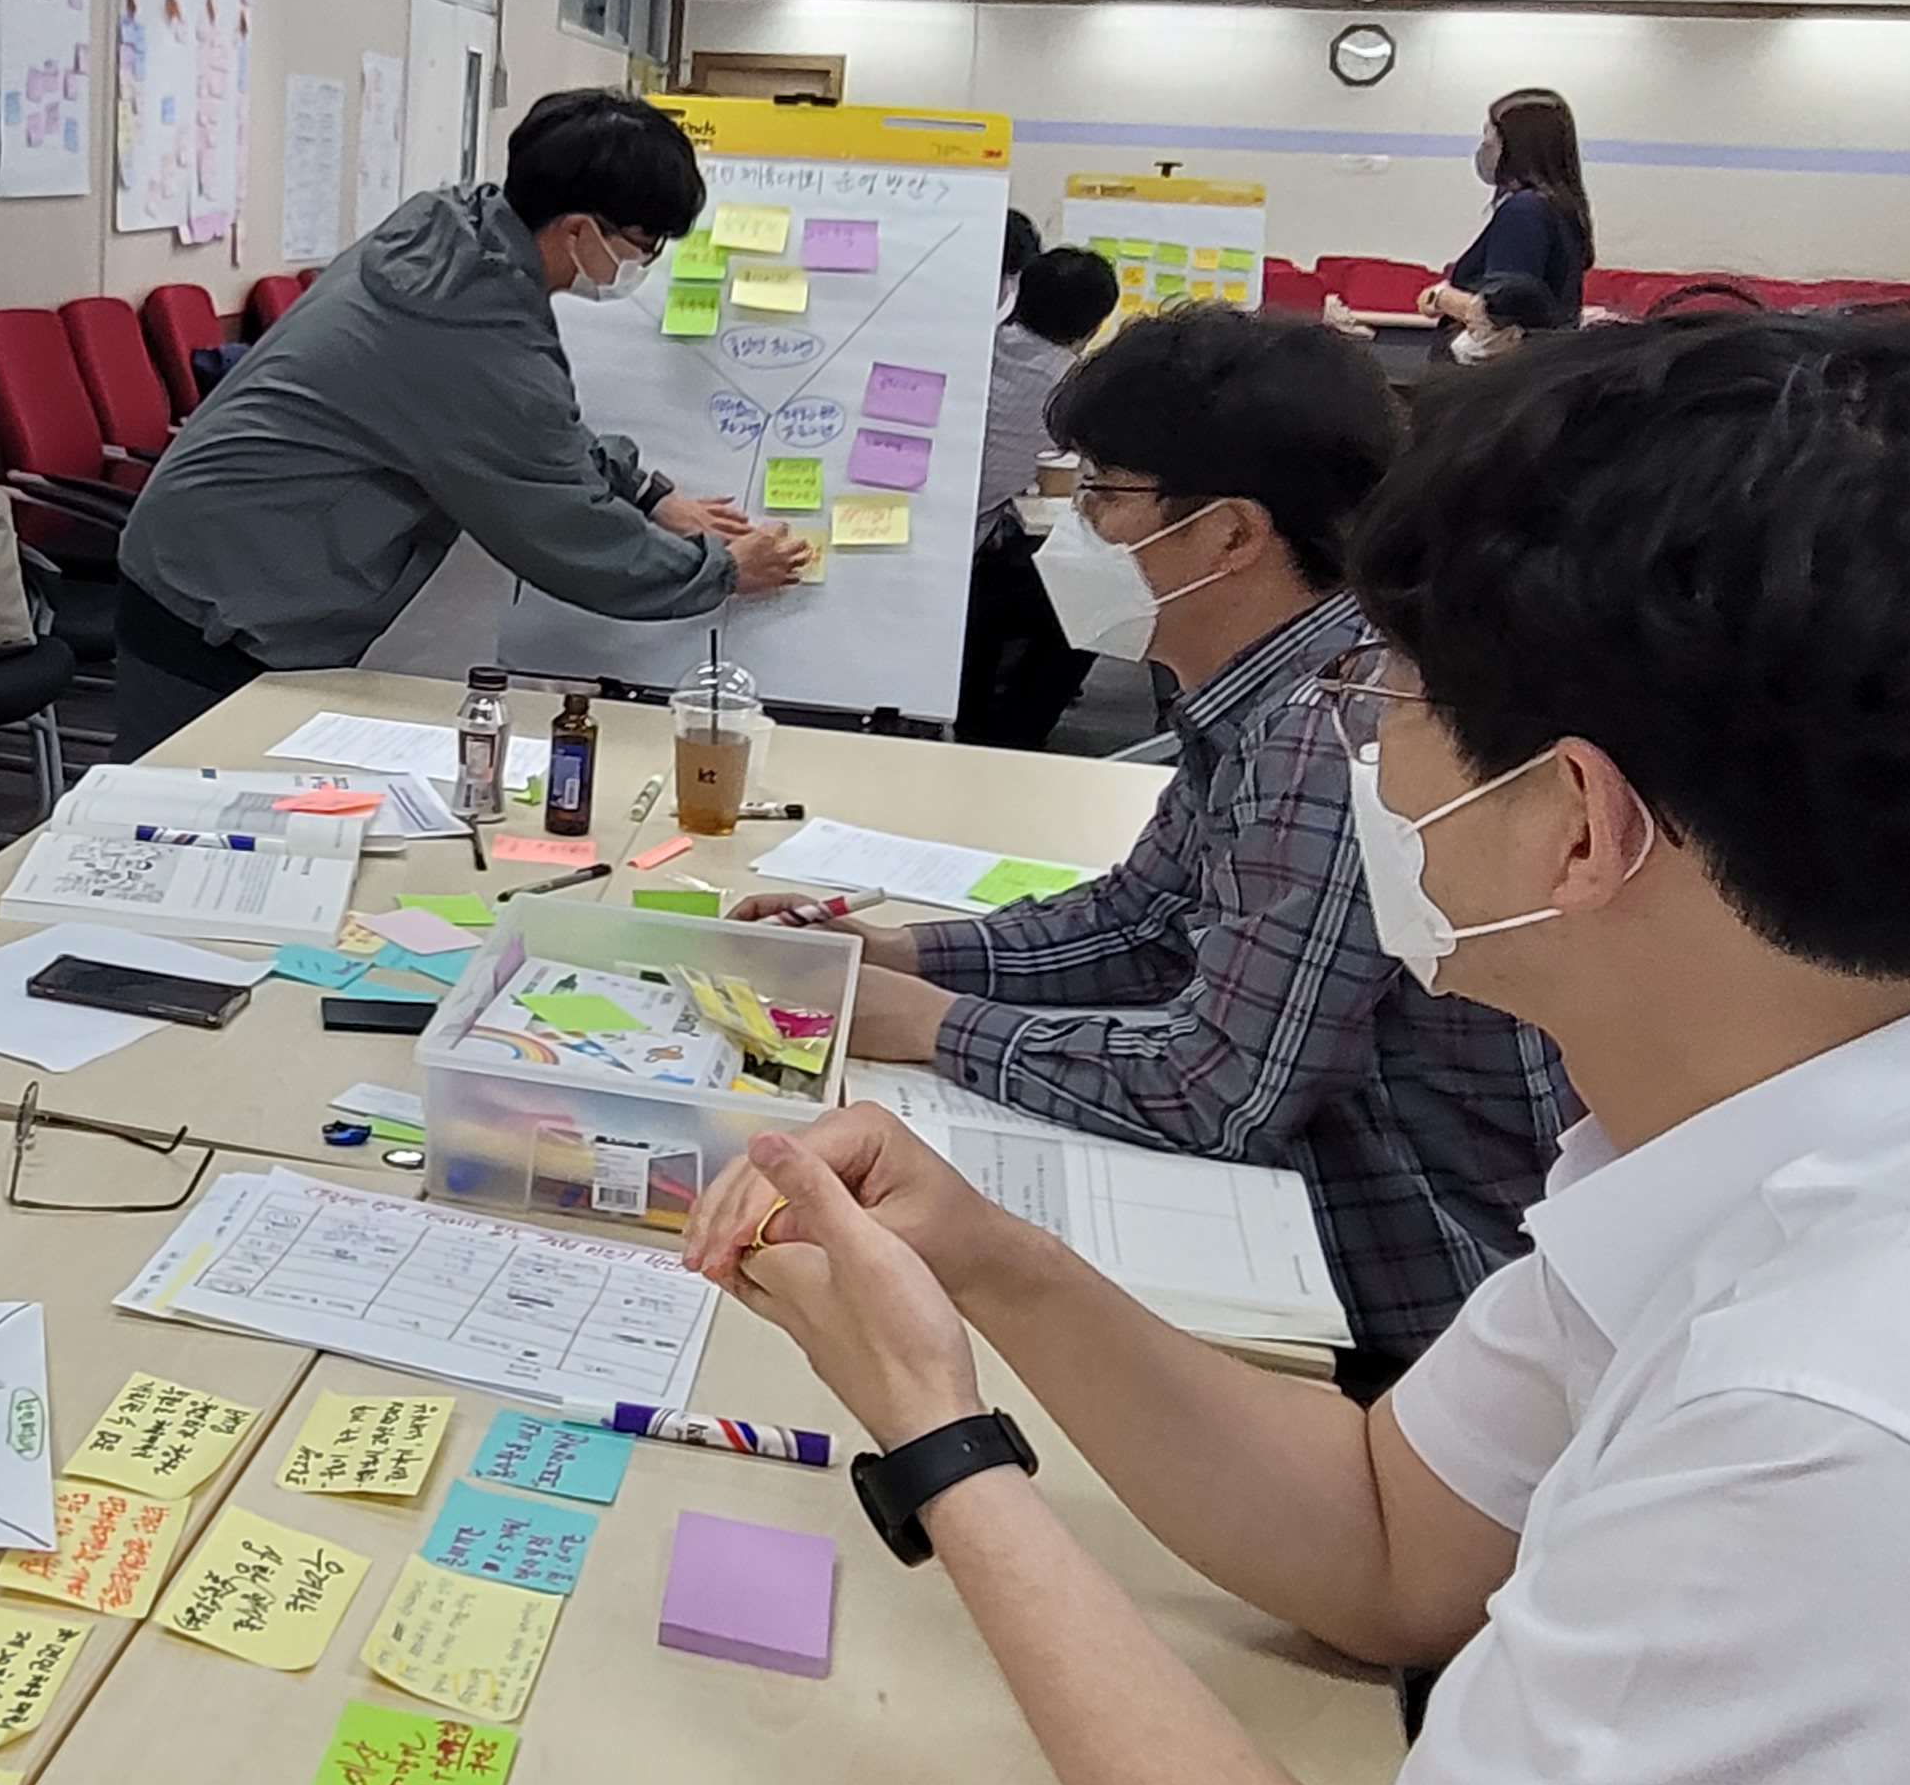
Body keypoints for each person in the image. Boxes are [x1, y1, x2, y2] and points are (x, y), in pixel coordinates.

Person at [691, 306, 1910, 1785]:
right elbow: (1383, 1539)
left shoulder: (1860, 1445)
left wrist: (938, 1443)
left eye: (1399, 705)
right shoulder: (1790, 1131)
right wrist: (987, 1258)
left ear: (1577, 828)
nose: (1363, 750)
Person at [746, 305, 1569, 1383]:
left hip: (1395, 1298)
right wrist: (902, 959)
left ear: (1232, 533)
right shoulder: (1268, 687)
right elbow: (1145, 922)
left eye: (1104, 495)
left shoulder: (1339, 728)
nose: (1076, 526)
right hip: (1301, 1209)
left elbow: (1222, 1091)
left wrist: (938, 1026)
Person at [111, 88, 808, 755]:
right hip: (217, 597)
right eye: (644, 242)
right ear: (578, 229)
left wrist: (649, 494)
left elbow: (534, 433)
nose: (644, 262)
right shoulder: (469, 328)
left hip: (221, 555)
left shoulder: (454, 232)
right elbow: (567, 532)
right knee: (182, 815)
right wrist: (719, 570)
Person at [952, 241, 1119, 749]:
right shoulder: (1073, 389)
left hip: (941, 553)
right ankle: (1016, 736)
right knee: (1098, 600)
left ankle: (971, 716)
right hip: (976, 562)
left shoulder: (973, 349)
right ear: (1093, 328)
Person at [1422, 87, 1591, 332]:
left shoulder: (1525, 211)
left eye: (1489, 140)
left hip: (1505, 365)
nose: (1484, 149)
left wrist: (1440, 298)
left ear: (1515, 148)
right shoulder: (1560, 209)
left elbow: (1502, 312)